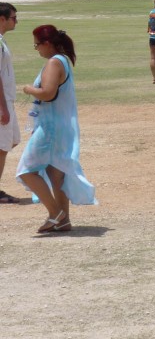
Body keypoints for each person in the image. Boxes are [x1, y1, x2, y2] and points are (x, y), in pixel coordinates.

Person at [17, 25, 97, 233]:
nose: (37, 49)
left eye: (37, 45)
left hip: (51, 128)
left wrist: (28, 89)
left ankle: (55, 213)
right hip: (61, 125)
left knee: (26, 170)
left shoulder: (54, 62)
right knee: (56, 173)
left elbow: (48, 93)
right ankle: (64, 220)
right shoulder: (63, 61)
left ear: (47, 43)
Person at [0, 3, 21, 204]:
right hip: (1, 102)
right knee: (2, 145)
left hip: (6, 100)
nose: (16, 21)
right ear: (2, 19)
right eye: (13, 18)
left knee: (10, 141)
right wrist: (3, 108)